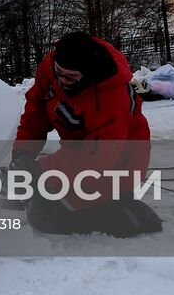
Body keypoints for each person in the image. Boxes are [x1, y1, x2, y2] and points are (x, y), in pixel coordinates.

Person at [10, 31, 162, 238]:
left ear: (88, 73)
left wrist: (38, 171)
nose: (62, 80)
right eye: (59, 73)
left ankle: (123, 213)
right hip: (80, 153)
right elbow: (36, 111)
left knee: (44, 218)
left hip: (119, 162)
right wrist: (22, 154)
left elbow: (97, 159)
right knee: (41, 193)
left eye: (70, 77)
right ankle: (114, 203)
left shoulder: (111, 97)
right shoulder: (53, 66)